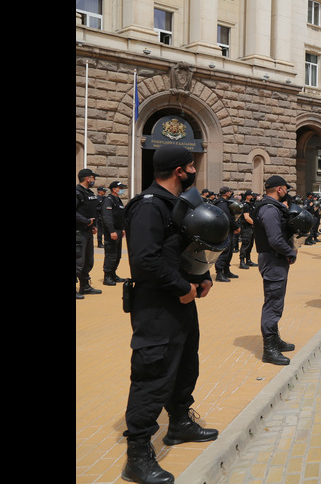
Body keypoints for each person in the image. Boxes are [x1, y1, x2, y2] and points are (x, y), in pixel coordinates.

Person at [121, 146, 217, 484]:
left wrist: (199, 277)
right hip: (157, 307)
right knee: (153, 374)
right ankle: (137, 455)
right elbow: (145, 262)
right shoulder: (148, 207)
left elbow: (182, 250)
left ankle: (178, 423)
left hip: (180, 303)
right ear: (179, 170)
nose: (194, 170)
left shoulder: (176, 205)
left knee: (185, 364)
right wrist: (180, 287)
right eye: (191, 165)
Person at [253, 176, 299, 365]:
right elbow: (275, 240)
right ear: (279, 189)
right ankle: (269, 349)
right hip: (273, 260)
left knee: (276, 301)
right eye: (285, 189)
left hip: (275, 259)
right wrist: (291, 252)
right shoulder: (269, 209)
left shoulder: (271, 207)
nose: (287, 192)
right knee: (273, 303)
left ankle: (275, 339)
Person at [76, 168, 102, 298]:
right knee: (78, 261)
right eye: (93, 177)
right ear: (87, 178)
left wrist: (93, 225)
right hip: (79, 232)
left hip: (87, 231)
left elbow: (92, 211)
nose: (94, 180)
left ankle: (85, 286)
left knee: (88, 261)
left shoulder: (89, 193)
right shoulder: (77, 193)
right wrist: (86, 221)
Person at [101, 181, 127, 286]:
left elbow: (121, 216)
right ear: (114, 189)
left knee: (117, 255)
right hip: (112, 231)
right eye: (120, 187)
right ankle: (107, 277)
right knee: (111, 255)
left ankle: (113, 274)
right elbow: (107, 217)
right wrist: (111, 230)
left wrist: (123, 228)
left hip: (119, 231)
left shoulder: (118, 200)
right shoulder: (109, 200)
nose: (122, 189)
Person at [238, 191, 257, 269]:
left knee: (250, 244)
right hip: (246, 227)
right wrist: (254, 224)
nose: (253, 197)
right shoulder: (245, 205)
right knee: (245, 244)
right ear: (247, 196)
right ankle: (242, 261)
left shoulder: (250, 204)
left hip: (250, 227)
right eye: (252, 196)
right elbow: (246, 217)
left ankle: (248, 260)